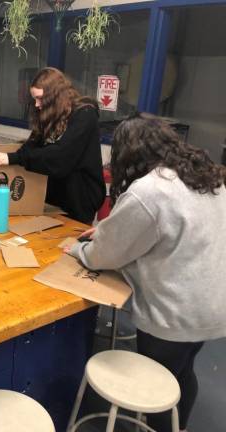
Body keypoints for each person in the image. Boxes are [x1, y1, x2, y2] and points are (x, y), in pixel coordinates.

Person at [67, 113, 226, 432]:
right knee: (182, 373)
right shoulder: (204, 175)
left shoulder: (149, 191)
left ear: (128, 154)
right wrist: (112, 232)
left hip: (173, 315)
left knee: (157, 386)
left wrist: (77, 248)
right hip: (213, 308)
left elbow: (104, 256)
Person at [0, 67, 106, 224]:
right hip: (55, 196)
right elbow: (33, 143)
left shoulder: (84, 115)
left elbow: (60, 157)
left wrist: (14, 158)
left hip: (80, 198)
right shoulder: (49, 112)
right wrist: (14, 157)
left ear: (55, 97)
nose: (37, 104)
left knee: (69, 244)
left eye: (40, 98)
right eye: (34, 99)